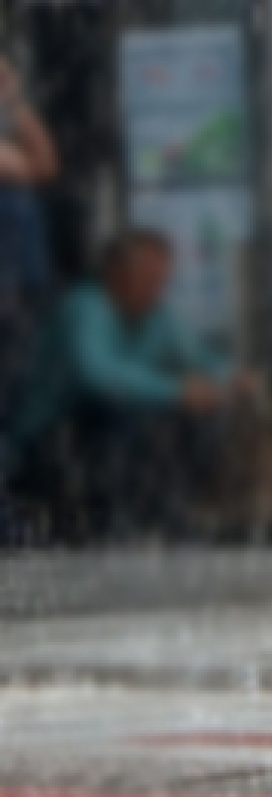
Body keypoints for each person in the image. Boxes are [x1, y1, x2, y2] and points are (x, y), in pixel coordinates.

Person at [4, 230, 255, 539]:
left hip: (113, 444)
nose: (156, 290)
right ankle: (106, 521)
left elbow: (196, 355)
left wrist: (232, 379)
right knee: (115, 414)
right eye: (148, 279)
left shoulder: (155, 316)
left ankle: (159, 511)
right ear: (115, 273)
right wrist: (177, 391)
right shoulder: (83, 307)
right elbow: (97, 375)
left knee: (197, 418)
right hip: (51, 442)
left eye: (162, 280)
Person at [0, 56, 58, 536]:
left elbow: (43, 162)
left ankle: (13, 501)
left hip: (21, 280)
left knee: (18, 395)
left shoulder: (7, 111)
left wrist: (13, 100)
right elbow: (24, 164)